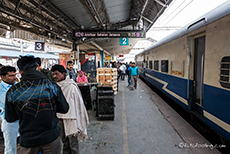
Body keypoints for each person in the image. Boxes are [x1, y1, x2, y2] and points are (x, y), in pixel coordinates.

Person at [5, 56, 69, 154]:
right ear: (37, 67)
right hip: (51, 137)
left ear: (20, 71)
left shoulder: (13, 91)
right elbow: (64, 108)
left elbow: (10, 118)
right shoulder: (52, 86)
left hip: (28, 140)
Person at [51, 64, 89, 154]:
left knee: (73, 145)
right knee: (65, 142)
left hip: (71, 119)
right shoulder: (54, 86)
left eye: (57, 74)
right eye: (53, 74)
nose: (54, 76)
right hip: (60, 119)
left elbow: (78, 104)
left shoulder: (71, 86)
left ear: (63, 73)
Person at [0, 66, 19, 154]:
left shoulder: (17, 86)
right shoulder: (1, 90)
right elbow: (9, 103)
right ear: (3, 77)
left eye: (15, 75)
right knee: (11, 148)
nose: (14, 78)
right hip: (10, 123)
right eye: (11, 76)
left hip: (21, 120)